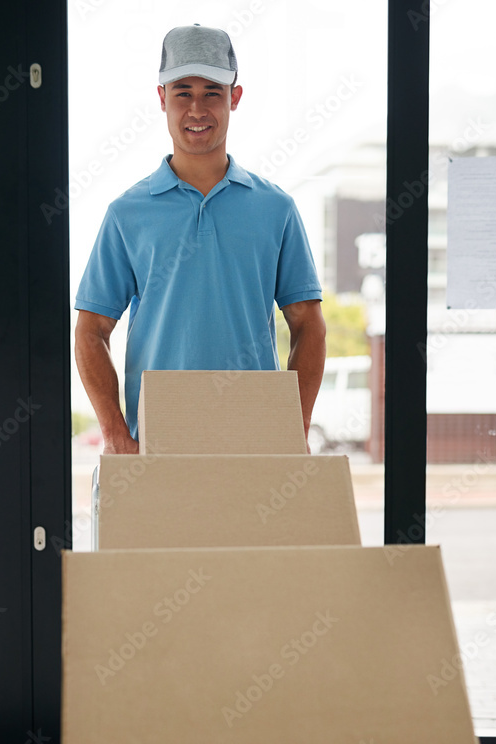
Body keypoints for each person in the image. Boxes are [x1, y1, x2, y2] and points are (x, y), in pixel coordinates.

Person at [74, 24, 326, 455]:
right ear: (161, 99)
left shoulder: (275, 209)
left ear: (235, 97)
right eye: (182, 92)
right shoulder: (127, 213)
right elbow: (91, 330)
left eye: (212, 92)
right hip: (157, 441)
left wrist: (294, 425)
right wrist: (116, 433)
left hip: (256, 441)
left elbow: (308, 324)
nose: (196, 109)